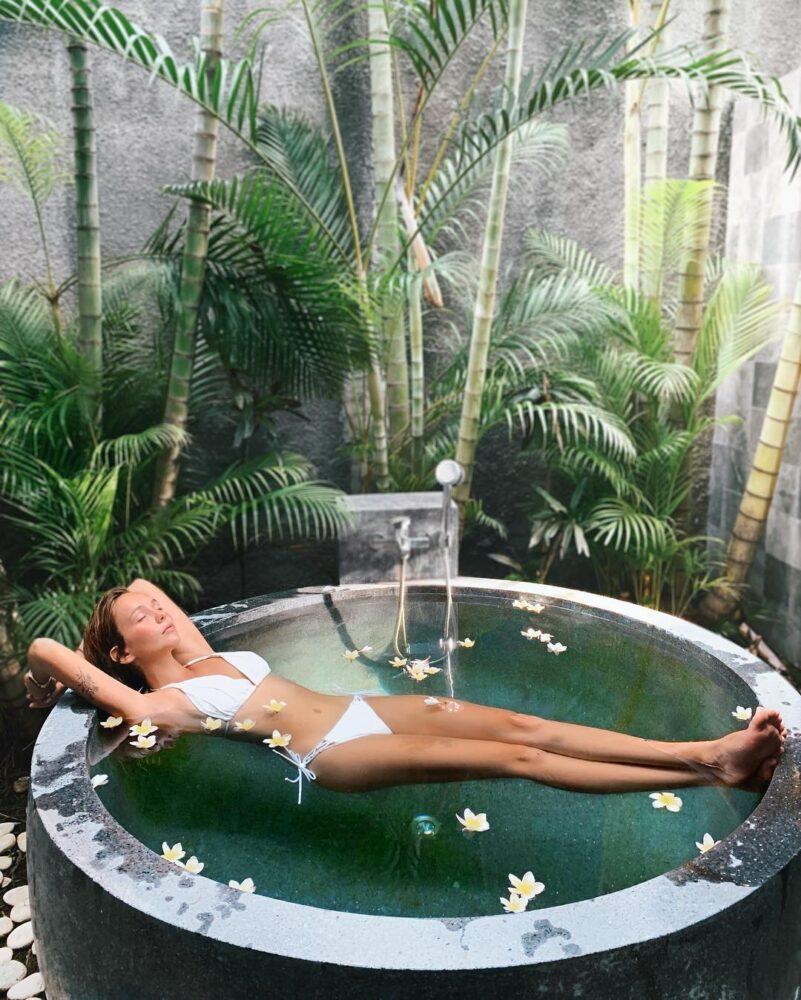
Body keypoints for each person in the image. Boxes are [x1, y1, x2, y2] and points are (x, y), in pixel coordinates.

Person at [24, 578, 787, 806]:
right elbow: (47, 649)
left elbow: (153, 597)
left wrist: (146, 612)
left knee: (525, 723)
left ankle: (700, 752)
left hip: (361, 708)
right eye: (141, 617)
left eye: (156, 602)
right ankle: (706, 770)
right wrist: (55, 669)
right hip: (332, 750)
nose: (159, 610)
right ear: (122, 651)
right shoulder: (160, 703)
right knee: (517, 760)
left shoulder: (207, 654)